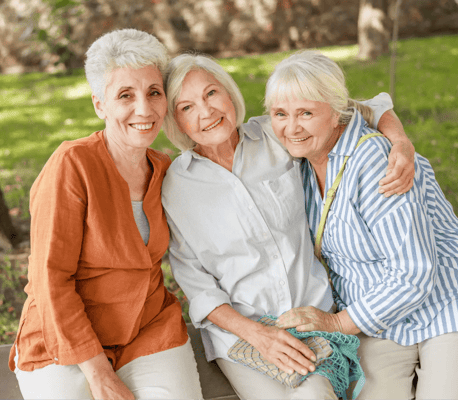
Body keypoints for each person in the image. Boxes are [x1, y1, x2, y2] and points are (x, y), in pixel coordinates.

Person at [161, 53, 415, 399]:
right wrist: (258, 335)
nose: (206, 112)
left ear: (229, 92)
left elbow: (367, 108)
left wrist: (400, 142)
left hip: (314, 319)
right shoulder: (177, 186)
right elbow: (197, 285)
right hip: (243, 336)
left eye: (211, 93)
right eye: (186, 107)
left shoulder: (278, 132)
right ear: (175, 121)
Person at [266, 50, 458, 399]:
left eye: (306, 113)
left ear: (336, 113)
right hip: (379, 312)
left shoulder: (375, 159)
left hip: (447, 297)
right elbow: (375, 103)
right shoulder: (301, 160)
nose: (292, 127)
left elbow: (415, 270)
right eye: (280, 114)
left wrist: (336, 323)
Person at [7, 29, 202, 400]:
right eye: (125, 95)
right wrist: (98, 373)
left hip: (146, 327)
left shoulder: (166, 170)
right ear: (100, 105)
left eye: (154, 92)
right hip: (64, 337)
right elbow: (50, 280)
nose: (144, 109)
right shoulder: (72, 164)